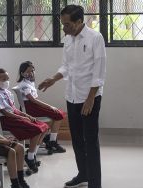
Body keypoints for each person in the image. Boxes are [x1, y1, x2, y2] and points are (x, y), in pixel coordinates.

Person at [38, 5, 106, 188]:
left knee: (90, 140)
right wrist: (54, 78)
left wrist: (91, 98)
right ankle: (83, 174)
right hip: (72, 96)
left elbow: (99, 72)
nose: (64, 29)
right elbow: (66, 67)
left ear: (78, 22)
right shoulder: (68, 40)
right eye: (62, 24)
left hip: (89, 97)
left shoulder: (95, 38)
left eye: (67, 24)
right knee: (76, 138)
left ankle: (95, 182)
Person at [0, 68, 49, 173]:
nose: (7, 81)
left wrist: (26, 115)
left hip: (14, 116)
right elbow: (6, 113)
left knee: (44, 127)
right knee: (37, 130)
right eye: (4, 79)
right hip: (7, 120)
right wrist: (22, 118)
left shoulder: (7, 92)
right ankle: (30, 158)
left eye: (7, 78)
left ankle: (31, 155)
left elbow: (14, 109)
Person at [17, 61, 66, 153]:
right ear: (22, 73)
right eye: (28, 71)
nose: (31, 73)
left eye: (32, 71)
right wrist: (50, 107)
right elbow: (33, 100)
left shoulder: (29, 82)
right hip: (30, 108)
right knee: (59, 114)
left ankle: (50, 139)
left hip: (33, 106)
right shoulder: (24, 85)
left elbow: (34, 96)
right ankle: (52, 142)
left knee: (57, 115)